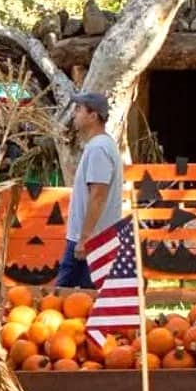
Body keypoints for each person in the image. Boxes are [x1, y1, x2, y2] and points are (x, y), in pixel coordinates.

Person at [56, 91, 123, 289]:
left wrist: (85, 239)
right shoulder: (100, 145)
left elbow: (98, 195)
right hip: (94, 237)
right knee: (79, 299)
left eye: (79, 109)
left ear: (93, 116)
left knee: (63, 300)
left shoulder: (99, 148)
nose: (74, 114)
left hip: (91, 239)